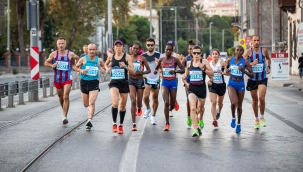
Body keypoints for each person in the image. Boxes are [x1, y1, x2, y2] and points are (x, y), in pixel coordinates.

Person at [44, 37, 79, 124]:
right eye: (59, 43)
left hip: (67, 78)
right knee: (60, 97)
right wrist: (52, 65)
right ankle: (64, 109)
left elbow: (77, 57)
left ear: (65, 44)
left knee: (66, 96)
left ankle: (64, 116)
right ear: (57, 45)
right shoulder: (53, 54)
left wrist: (76, 66)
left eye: (62, 43)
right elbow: (45, 62)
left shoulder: (70, 54)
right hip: (57, 79)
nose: (61, 45)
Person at [182, 45, 213, 137]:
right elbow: (184, 76)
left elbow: (212, 73)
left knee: (200, 109)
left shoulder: (204, 62)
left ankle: (201, 118)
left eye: (198, 53)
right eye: (194, 53)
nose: (196, 54)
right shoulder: (189, 63)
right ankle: (195, 128)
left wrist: (203, 69)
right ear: (192, 53)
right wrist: (186, 83)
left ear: (201, 54)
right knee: (193, 108)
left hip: (201, 89)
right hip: (192, 89)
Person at [105, 40, 134, 134]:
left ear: (122, 47)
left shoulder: (127, 57)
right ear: (114, 47)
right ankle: (114, 123)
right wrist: (107, 69)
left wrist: (125, 66)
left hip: (124, 83)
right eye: (116, 46)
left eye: (120, 46)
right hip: (114, 82)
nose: (118, 47)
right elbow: (106, 64)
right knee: (115, 102)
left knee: (122, 106)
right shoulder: (111, 56)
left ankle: (121, 124)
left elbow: (132, 70)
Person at [73, 43, 106, 130]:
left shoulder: (99, 60)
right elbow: (75, 67)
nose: (91, 51)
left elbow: (103, 67)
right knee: (86, 104)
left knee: (92, 102)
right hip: (84, 82)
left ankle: (89, 120)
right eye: (90, 49)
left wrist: (103, 70)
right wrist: (81, 70)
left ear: (96, 50)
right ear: (87, 50)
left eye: (93, 49)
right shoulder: (83, 59)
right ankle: (89, 110)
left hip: (94, 82)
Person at [154, 43, 184, 131]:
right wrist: (156, 71)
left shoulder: (175, 60)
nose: (168, 51)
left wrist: (175, 71)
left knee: (171, 105)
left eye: (170, 50)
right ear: (164, 50)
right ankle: (167, 123)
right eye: (167, 49)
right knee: (166, 102)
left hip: (173, 83)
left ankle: (173, 104)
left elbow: (183, 69)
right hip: (164, 83)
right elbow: (156, 68)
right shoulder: (161, 60)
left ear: (172, 51)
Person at [243, 35, 271, 129]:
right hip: (252, 79)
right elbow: (242, 63)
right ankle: (256, 119)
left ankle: (262, 117)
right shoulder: (248, 52)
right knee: (255, 100)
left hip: (262, 78)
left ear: (260, 41)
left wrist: (268, 67)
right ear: (251, 41)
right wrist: (251, 64)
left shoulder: (264, 51)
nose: (256, 42)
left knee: (262, 98)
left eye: (258, 40)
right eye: (254, 40)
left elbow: (267, 58)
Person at [226, 46, 253, 133]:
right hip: (231, 83)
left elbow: (252, 74)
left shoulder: (245, 62)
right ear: (235, 51)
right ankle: (233, 117)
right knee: (233, 102)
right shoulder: (230, 60)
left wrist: (243, 71)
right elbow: (226, 67)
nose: (239, 51)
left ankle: (238, 123)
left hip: (240, 84)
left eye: (241, 50)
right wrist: (226, 70)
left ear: (242, 52)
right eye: (237, 50)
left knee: (239, 106)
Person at [129, 43, 151, 131]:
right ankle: (134, 124)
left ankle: (139, 108)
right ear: (131, 49)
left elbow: (149, 70)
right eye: (134, 48)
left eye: (137, 49)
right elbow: (125, 67)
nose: (135, 50)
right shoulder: (129, 58)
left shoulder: (142, 58)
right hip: (131, 80)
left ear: (139, 50)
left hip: (139, 80)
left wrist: (141, 72)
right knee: (133, 100)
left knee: (139, 102)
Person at [142, 38, 162, 125]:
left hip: (156, 79)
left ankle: (153, 115)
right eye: (148, 45)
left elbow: (162, 67)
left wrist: (159, 65)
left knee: (155, 98)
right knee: (145, 96)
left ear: (154, 45)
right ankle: (148, 108)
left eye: (152, 45)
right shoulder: (143, 56)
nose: (150, 46)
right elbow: (141, 67)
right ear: (146, 45)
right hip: (147, 78)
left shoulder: (159, 55)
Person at [208, 49, 228, 127]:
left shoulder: (222, 63)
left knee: (220, 103)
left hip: (221, 85)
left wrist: (222, 72)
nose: (215, 55)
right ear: (211, 55)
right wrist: (209, 80)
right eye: (213, 54)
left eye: (216, 54)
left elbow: (228, 73)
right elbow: (207, 73)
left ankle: (218, 111)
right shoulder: (209, 64)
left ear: (218, 55)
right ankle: (214, 120)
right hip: (213, 85)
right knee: (213, 102)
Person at [165, 40, 182, 117]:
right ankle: (170, 110)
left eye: (171, 45)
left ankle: (174, 102)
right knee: (167, 94)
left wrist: (175, 71)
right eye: (168, 45)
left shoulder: (177, 56)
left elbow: (181, 66)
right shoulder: (163, 55)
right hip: (165, 78)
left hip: (175, 78)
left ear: (173, 47)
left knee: (172, 95)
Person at [181, 40, 195, 127]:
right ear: (188, 50)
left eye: (192, 49)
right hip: (188, 82)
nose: (191, 50)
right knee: (188, 100)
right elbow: (181, 68)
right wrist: (186, 71)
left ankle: (196, 116)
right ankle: (189, 116)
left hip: (197, 82)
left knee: (196, 101)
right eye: (190, 49)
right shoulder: (186, 59)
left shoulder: (198, 58)